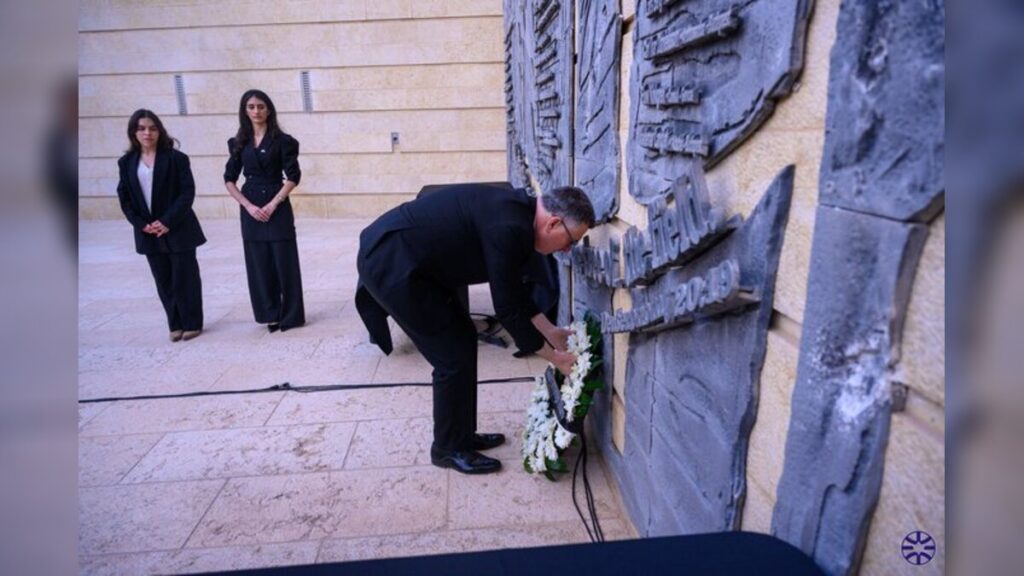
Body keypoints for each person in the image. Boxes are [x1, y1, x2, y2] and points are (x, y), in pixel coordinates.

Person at [355, 183, 596, 474]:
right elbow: (506, 309)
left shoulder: (521, 218)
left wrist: (551, 331)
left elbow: (514, 292)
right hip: (391, 263)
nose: (567, 249)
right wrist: (554, 357)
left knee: (463, 341)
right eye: (570, 240)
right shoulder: (509, 226)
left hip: (418, 263)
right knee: (451, 356)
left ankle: (461, 436)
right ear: (554, 222)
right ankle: (447, 449)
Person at [116, 109, 206, 342]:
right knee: (163, 280)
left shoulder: (176, 159)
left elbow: (187, 193)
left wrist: (166, 221)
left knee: (184, 278)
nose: (147, 133)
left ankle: (192, 322)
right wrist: (142, 224)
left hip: (178, 228)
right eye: (142, 128)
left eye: (152, 128)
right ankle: (175, 324)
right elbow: (125, 198)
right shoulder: (126, 163)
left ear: (159, 131)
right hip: (148, 232)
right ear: (133, 132)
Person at [224, 89, 305, 332]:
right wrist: (247, 205)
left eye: (261, 106)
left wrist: (273, 203)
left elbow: (293, 176)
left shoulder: (284, 141)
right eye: (251, 107)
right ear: (244, 111)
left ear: (269, 109)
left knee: (284, 261)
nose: (256, 111)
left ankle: (291, 315)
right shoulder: (238, 143)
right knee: (259, 264)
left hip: (276, 204)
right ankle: (269, 313)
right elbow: (229, 179)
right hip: (251, 208)